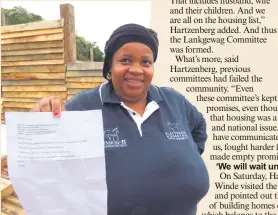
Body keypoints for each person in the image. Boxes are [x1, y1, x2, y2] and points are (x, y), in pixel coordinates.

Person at [30, 23, 209, 215]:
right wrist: (43, 118)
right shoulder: (83, 107)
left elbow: (199, 126)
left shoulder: (174, 101)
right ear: (110, 65)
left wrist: (187, 156)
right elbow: (46, 162)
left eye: (146, 62)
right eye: (125, 60)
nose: (137, 70)